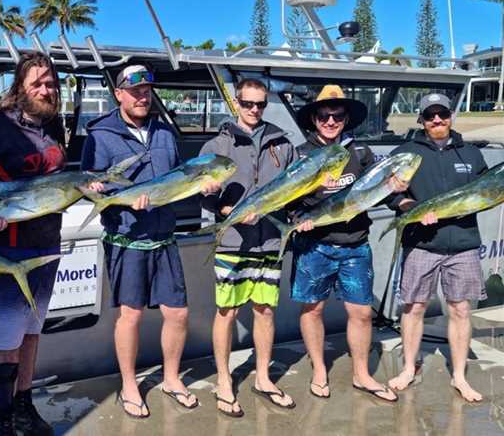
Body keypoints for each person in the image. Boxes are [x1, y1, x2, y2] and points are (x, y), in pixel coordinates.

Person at [81, 65, 219, 419]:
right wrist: (112, 194)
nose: (142, 96)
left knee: (179, 313)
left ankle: (172, 378)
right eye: (135, 91)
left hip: (163, 235)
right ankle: (129, 384)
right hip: (128, 237)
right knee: (131, 316)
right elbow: (90, 182)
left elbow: (178, 177)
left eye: (147, 91)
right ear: (119, 94)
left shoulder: (164, 132)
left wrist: (203, 184)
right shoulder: (100, 134)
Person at [0, 52, 65, 436]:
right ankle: (3, 420)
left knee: (32, 331)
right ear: (19, 86)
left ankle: (24, 407)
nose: (45, 89)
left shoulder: (54, 125)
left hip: (47, 246)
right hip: (7, 251)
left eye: (50, 83)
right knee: (6, 337)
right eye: (37, 82)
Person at [290, 85, 405, 403]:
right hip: (314, 245)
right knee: (312, 310)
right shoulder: (300, 154)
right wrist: (301, 215)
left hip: (355, 245)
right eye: (324, 115)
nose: (330, 121)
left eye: (337, 115)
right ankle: (318, 370)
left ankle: (362, 374)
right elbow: (288, 200)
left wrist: (398, 190)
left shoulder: (361, 153)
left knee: (362, 314)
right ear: (314, 118)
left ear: (346, 119)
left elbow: (382, 191)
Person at [199, 78, 296, 417]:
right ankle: (224, 380)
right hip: (231, 241)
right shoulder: (216, 145)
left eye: (260, 105)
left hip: (270, 239)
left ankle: (264, 377)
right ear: (236, 103)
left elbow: (294, 189)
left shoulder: (282, 144)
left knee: (265, 310)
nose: (254, 110)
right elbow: (201, 195)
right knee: (227, 312)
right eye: (247, 104)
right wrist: (216, 200)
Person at [386, 93, 488, 402]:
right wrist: (407, 203)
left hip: (463, 243)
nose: (437, 120)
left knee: (460, 308)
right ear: (421, 119)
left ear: (450, 115)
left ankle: (459, 375)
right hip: (421, 242)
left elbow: (486, 190)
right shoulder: (405, 152)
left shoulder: (471, 153)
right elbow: (389, 195)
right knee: (414, 307)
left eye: (442, 113)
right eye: (430, 115)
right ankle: (408, 368)